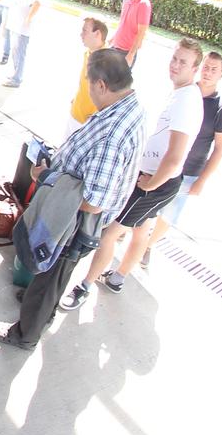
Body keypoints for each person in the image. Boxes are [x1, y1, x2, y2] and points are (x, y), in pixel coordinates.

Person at [0, 49, 146, 351]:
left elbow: (93, 201)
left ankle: (26, 333)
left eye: (89, 83)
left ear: (101, 85)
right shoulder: (127, 106)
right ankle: (41, 307)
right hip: (75, 220)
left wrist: (47, 179)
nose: (88, 89)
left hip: (72, 224)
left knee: (51, 274)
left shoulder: (111, 136)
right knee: (55, 276)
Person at [60, 38, 204, 310]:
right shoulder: (181, 93)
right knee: (141, 230)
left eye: (183, 62)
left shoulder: (186, 101)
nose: (175, 65)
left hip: (154, 182)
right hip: (155, 179)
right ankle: (118, 277)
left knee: (108, 235)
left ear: (195, 69)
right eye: (174, 58)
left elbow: (175, 157)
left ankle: (84, 286)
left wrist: (150, 185)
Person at [128, 50, 222, 274]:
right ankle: (131, 237)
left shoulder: (221, 109)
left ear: (221, 74)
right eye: (206, 67)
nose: (208, 72)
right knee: (144, 210)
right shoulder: (186, 92)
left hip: (188, 171)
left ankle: (147, 246)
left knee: (167, 216)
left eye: (214, 69)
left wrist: (201, 180)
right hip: (160, 164)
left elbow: (219, 149)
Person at [65, 17, 109, 137]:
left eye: (85, 31)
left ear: (97, 34)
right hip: (75, 113)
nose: (81, 34)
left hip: (85, 124)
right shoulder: (89, 53)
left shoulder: (106, 61)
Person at [2, 0, 42, 88]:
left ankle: (17, 79)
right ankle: (15, 75)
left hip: (22, 26)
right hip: (16, 23)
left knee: (19, 52)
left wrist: (28, 18)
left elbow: (37, 3)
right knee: (15, 51)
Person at [111, 0, 152, 67]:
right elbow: (122, 22)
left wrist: (131, 54)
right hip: (115, 46)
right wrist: (112, 38)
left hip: (126, 51)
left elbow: (141, 32)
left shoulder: (144, 4)